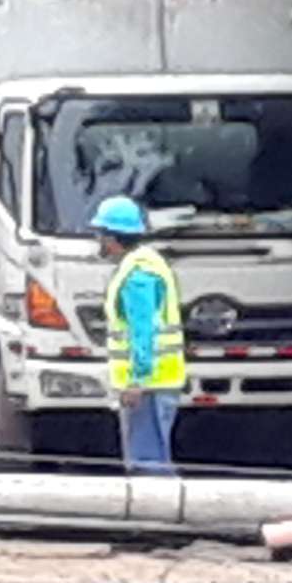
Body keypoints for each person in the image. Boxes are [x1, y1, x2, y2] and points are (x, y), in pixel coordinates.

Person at [94, 195, 185, 475]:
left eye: (100, 234)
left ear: (112, 237)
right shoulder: (147, 264)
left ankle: (161, 516)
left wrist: (137, 380)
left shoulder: (138, 274)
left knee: (149, 464)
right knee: (150, 460)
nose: (98, 240)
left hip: (149, 386)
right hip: (155, 383)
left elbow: (142, 330)